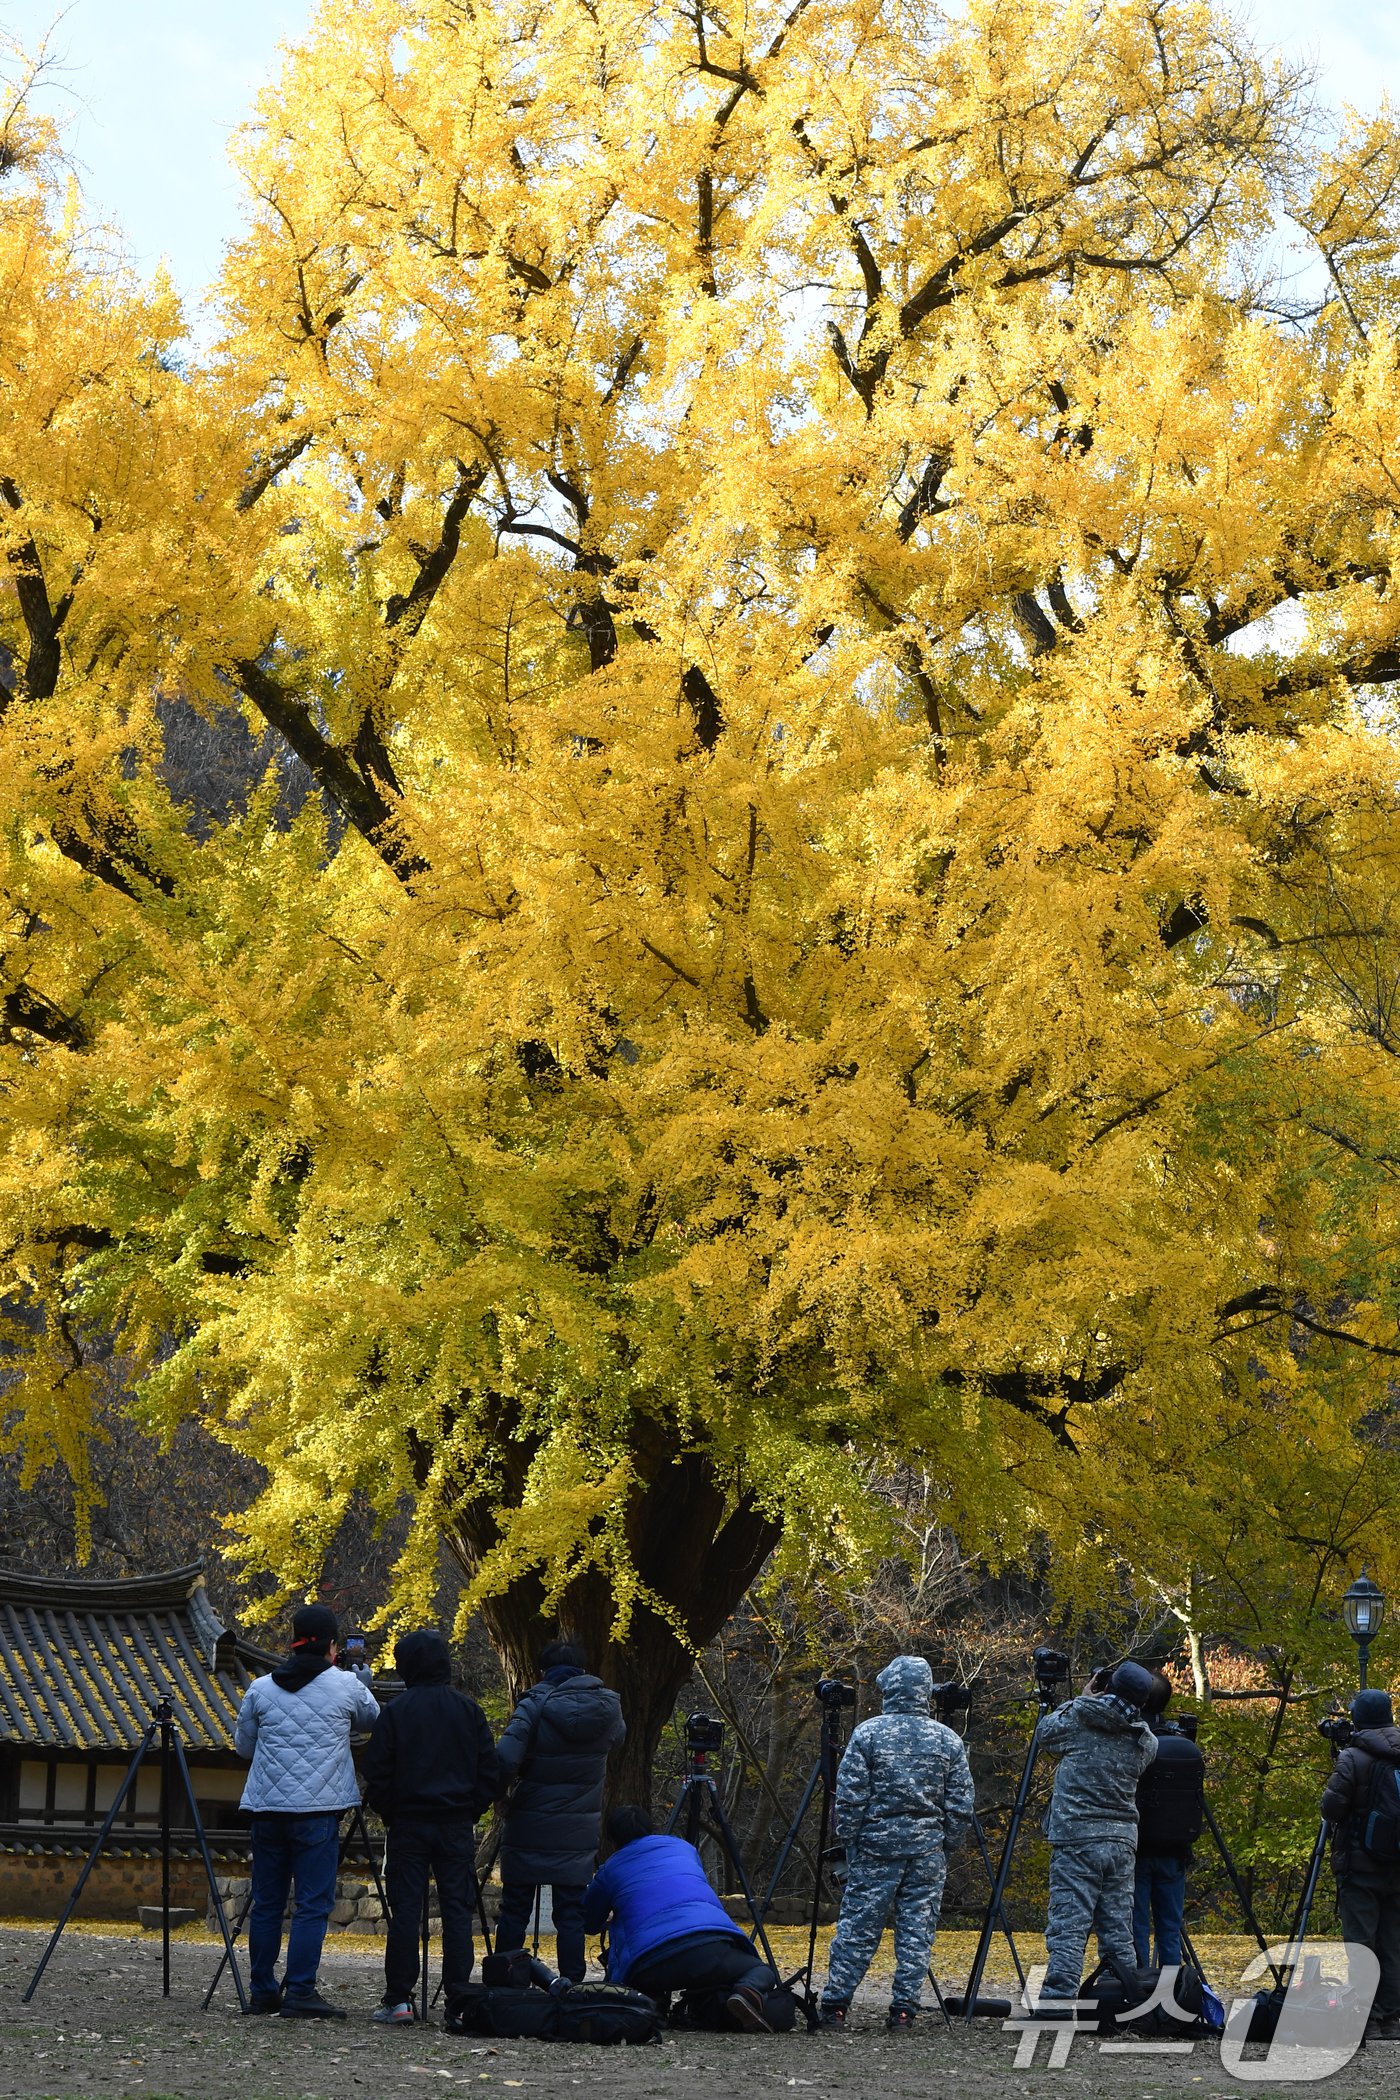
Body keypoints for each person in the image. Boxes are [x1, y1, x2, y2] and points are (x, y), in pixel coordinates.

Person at [234, 1602, 380, 2018]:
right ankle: (299, 1990)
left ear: (293, 1641)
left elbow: (244, 1747)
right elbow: (373, 1721)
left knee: (266, 1903)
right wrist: (363, 1682)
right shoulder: (345, 1686)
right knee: (312, 1905)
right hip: (318, 1811)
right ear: (333, 1645)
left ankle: (263, 1990)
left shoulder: (261, 1688)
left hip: (266, 1809)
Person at [816, 1654, 975, 2033]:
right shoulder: (947, 1738)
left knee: (858, 1928)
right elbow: (961, 1803)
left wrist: (851, 1843)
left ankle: (836, 2006)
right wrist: (944, 1844)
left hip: (875, 1849)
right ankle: (904, 2010)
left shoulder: (869, 1733)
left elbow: (850, 1796)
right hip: (926, 1852)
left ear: (890, 1690)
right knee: (917, 1931)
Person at [361, 1628, 500, 2025]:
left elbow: (377, 1772)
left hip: (408, 1823)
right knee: (457, 1910)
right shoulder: (467, 1709)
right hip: (455, 1822)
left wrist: (392, 1812)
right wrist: (471, 1809)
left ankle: (399, 1997)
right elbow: (488, 1769)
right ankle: (458, 1997)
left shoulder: (397, 1712)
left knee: (405, 1910)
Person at [494, 1639, 625, 1982]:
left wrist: (498, 1797)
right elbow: (619, 1739)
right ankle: (572, 1985)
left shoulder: (535, 1703)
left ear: (544, 1671)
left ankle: (507, 1981)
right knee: (571, 1913)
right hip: (578, 1830)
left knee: (515, 1909)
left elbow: (505, 1758)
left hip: (528, 1822)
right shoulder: (609, 1708)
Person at [583, 1806, 784, 2031]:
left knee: (638, 1983)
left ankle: (651, 2004)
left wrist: (613, 1919)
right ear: (651, 1828)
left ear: (611, 1838)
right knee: (761, 1970)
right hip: (710, 1945)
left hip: (649, 1963)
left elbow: (588, 1922)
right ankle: (746, 1991)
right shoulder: (685, 1848)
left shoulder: (609, 1870)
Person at [1035, 1659, 1157, 2007]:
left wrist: (1080, 1698)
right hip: (1121, 1842)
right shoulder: (1145, 1740)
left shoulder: (1078, 1719)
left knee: (1069, 1926)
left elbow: (1044, 1733)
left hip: (1077, 1838)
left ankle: (1058, 2001)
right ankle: (1122, 2002)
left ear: (1107, 1685)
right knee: (1118, 1929)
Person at [1321, 1688, 1400, 2044]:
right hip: (1397, 1867)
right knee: (1393, 1943)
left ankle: (1365, 2020)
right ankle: (1390, 2019)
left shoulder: (1353, 1757)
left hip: (1360, 1864)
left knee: (1361, 1945)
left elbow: (1331, 1808)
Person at [1132, 1671, 1205, 1973]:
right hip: (1175, 1852)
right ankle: (1172, 1991)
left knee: (1133, 1927)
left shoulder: (1134, 1741)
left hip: (1136, 1852)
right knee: (1169, 1929)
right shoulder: (1183, 1746)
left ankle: (1134, 1988)